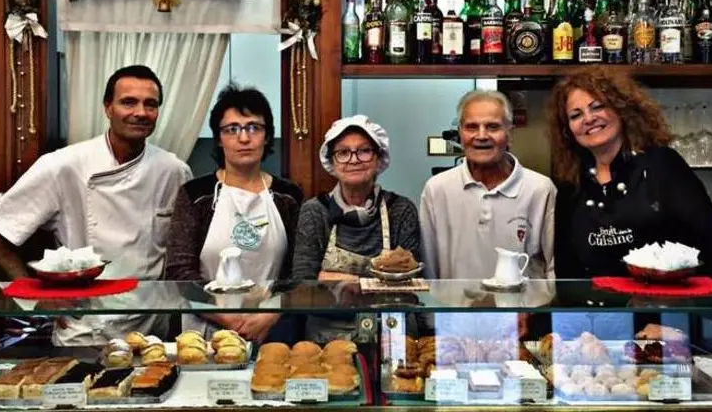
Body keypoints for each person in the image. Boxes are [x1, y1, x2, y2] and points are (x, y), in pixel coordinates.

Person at [0, 65, 192, 345]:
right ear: (107, 108)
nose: (140, 112)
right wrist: (36, 298)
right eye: (128, 102)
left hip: (150, 334)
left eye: (150, 104)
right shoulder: (63, 165)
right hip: (85, 332)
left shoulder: (173, 170)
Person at [548, 65, 712, 279]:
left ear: (621, 109)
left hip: (665, 307)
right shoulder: (571, 184)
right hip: (595, 310)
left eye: (598, 106)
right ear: (567, 129)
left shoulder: (663, 165)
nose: (588, 119)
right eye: (575, 115)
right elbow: (566, 269)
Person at [165, 84, 303, 344]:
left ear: (266, 135)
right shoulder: (195, 194)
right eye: (232, 129)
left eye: (254, 127)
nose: (243, 138)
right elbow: (178, 270)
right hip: (206, 330)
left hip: (273, 329)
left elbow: (299, 271)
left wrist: (270, 313)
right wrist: (226, 316)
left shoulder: (289, 195)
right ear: (219, 138)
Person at [292, 115, 420, 341]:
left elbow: (409, 286)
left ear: (379, 159)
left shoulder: (400, 210)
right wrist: (378, 280)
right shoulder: (315, 212)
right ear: (331, 162)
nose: (353, 159)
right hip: (326, 339)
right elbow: (304, 284)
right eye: (343, 152)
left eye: (364, 151)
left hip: (391, 334)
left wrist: (331, 278)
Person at [421, 90, 556, 281]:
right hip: (453, 310)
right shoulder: (437, 189)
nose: (481, 135)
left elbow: (552, 269)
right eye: (471, 127)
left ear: (510, 132)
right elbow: (429, 269)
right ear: (460, 133)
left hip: (521, 309)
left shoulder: (540, 189)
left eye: (493, 127)